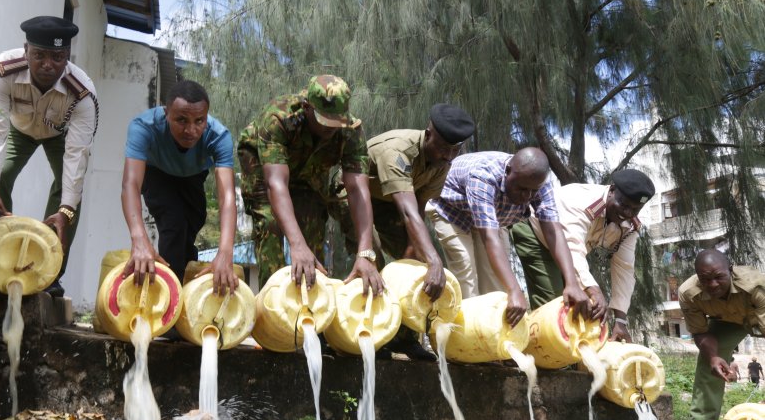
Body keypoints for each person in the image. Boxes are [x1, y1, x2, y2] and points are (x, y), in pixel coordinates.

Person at [334, 103, 475, 360]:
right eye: (444, 148)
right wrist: (434, 260)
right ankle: (363, 333)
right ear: (429, 133)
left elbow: (418, 210)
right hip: (351, 194)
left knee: (414, 267)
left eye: (456, 150)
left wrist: (414, 257)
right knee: (371, 256)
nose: (449, 156)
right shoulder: (398, 150)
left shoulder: (442, 163)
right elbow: (407, 211)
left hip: (390, 202)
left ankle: (403, 339)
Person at [0, 16, 98, 297]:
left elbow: (77, 157)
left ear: (67, 56)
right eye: (39, 55)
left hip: (60, 137)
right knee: (0, 177)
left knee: (69, 196)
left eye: (57, 57)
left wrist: (66, 210)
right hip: (19, 130)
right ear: (25, 50)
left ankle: (51, 274)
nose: (47, 64)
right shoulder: (2, 70)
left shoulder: (83, 92)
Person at [238, 75, 383, 295]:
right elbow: (276, 184)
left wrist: (365, 253)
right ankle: (274, 304)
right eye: (326, 122)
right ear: (307, 107)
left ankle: (315, 305)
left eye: (338, 123)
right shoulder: (279, 117)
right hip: (263, 166)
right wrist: (296, 244)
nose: (331, 130)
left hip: (310, 170)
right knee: (270, 222)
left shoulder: (351, 130)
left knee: (313, 224)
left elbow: (357, 190)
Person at [426, 148, 590, 327]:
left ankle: (491, 336)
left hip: (494, 217)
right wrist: (514, 289)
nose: (527, 196)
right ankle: (462, 337)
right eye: (521, 188)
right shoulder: (482, 176)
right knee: (465, 271)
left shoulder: (539, 182)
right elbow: (490, 237)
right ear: (508, 171)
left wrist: (572, 283)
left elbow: (554, 231)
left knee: (496, 284)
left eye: (532, 191)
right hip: (451, 209)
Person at [511, 169, 656, 342]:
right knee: (553, 304)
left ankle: (570, 357)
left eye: (635, 210)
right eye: (624, 205)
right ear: (612, 190)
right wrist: (594, 290)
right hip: (536, 233)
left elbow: (624, 269)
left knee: (582, 306)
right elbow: (572, 247)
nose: (627, 214)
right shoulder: (581, 201)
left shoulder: (630, 227)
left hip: (569, 253)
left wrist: (620, 320)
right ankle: (542, 355)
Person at [121, 80, 238, 294]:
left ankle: (185, 291)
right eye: (181, 120)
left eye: (199, 121)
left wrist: (225, 252)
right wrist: (139, 239)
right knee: (173, 224)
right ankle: (168, 301)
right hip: (157, 173)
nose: (191, 130)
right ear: (167, 113)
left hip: (193, 175)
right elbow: (131, 184)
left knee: (193, 224)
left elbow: (227, 196)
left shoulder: (219, 136)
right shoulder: (143, 127)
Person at [681, 249, 765, 420]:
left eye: (719, 276)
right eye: (705, 279)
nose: (712, 284)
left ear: (730, 270)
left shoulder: (756, 286)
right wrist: (713, 357)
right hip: (728, 322)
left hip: (758, 314)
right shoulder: (689, 293)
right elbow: (700, 332)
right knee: (709, 362)